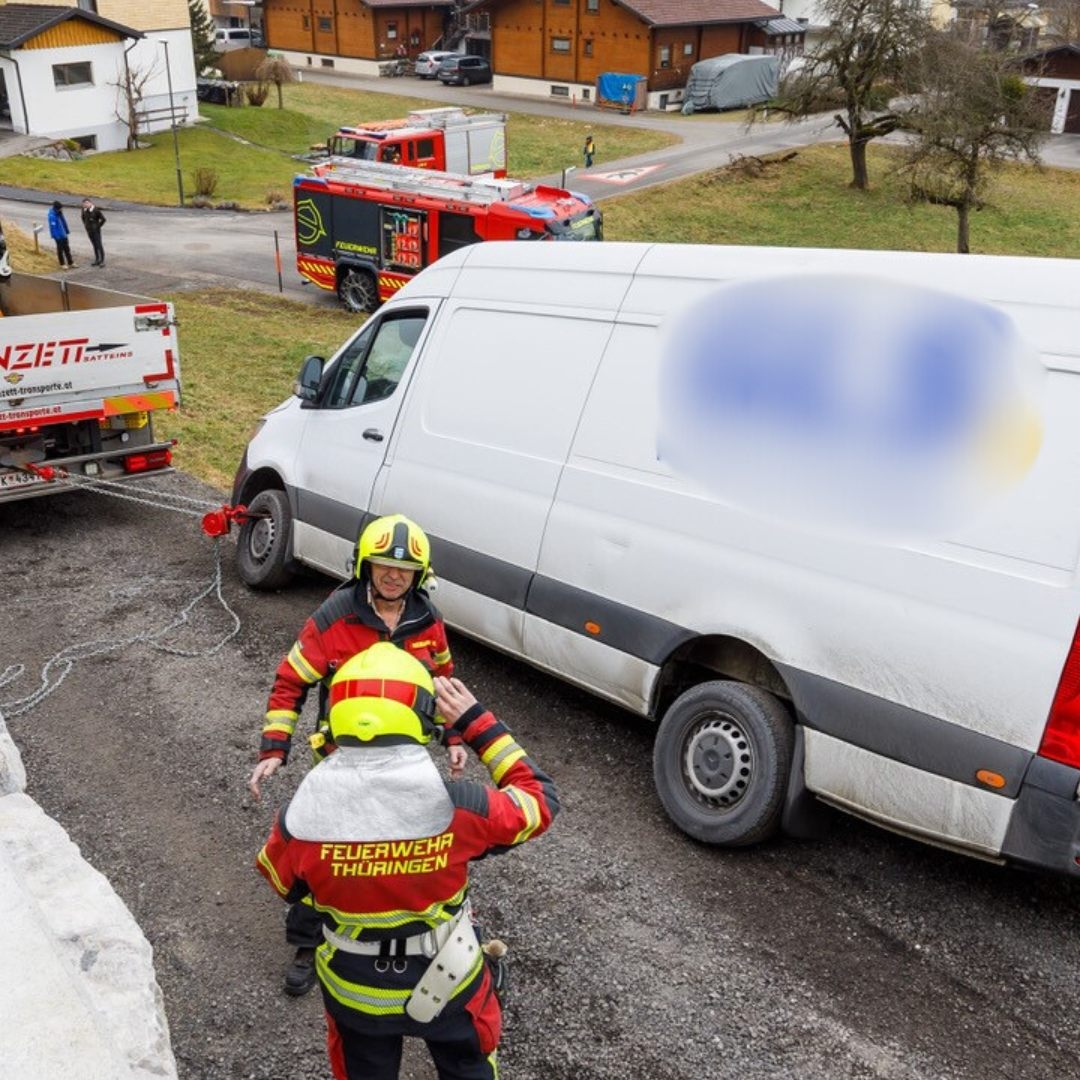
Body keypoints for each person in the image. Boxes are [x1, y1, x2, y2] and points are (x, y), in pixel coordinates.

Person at [255, 643, 559, 1080]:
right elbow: (539, 801)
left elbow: (286, 885)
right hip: (450, 979)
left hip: (355, 995)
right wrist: (477, 724)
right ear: (422, 719)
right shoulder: (462, 808)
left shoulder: (299, 822)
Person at [248, 512, 466, 997]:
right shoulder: (333, 617)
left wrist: (453, 738)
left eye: (404, 569)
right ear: (364, 566)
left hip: (406, 761)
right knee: (328, 849)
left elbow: (444, 683)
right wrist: (274, 748)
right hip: (340, 759)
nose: (393, 575)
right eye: (383, 564)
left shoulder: (428, 621)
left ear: (420, 575)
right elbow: (291, 681)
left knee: (396, 850)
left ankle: (393, 933)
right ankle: (309, 944)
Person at [47, 201, 74, 269]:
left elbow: (63, 222)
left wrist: (66, 231)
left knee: (67, 249)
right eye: (60, 208)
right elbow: (53, 228)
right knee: (60, 250)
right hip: (58, 236)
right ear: (57, 208)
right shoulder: (52, 216)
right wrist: (57, 236)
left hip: (63, 234)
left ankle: (70, 262)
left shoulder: (60, 213)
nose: (62, 209)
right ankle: (62, 264)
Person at [81, 197, 106, 267]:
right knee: (94, 245)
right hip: (89, 231)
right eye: (84, 204)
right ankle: (97, 259)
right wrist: (86, 226)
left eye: (86, 204)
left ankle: (102, 260)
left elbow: (103, 219)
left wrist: (98, 226)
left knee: (99, 245)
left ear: (90, 203)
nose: (85, 206)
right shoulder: (83, 209)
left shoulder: (96, 210)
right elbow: (83, 218)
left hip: (96, 231)